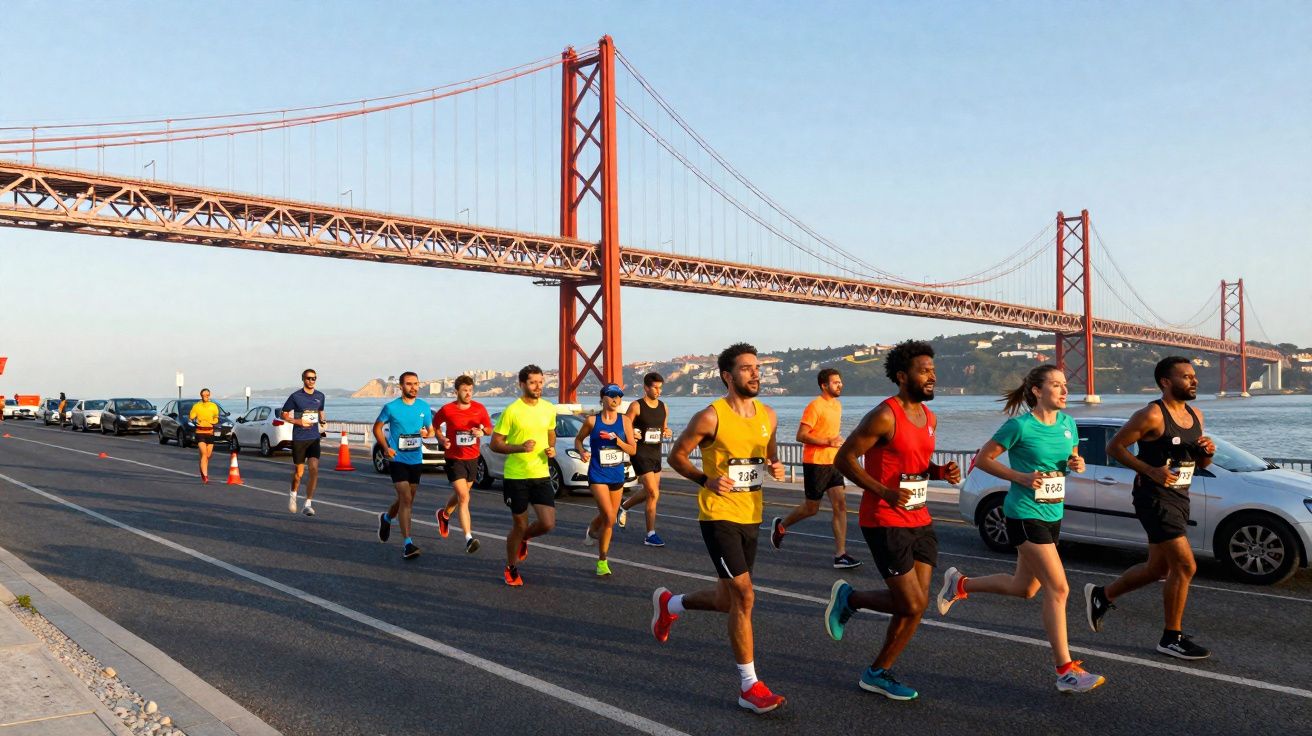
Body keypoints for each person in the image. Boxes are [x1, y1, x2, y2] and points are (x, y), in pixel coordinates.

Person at [935, 364, 1105, 693]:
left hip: (1053, 513)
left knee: (1024, 588)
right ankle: (1065, 670)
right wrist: (1021, 478)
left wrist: (1076, 464)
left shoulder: (1069, 423)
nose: (1065, 390)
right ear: (1037, 392)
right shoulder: (1019, 427)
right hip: (1023, 514)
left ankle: (959, 584)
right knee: (1059, 589)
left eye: (1065, 384)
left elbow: (1069, 461)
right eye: (1056, 385)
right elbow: (982, 460)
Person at [649, 343, 788, 714]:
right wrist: (705, 479)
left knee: (727, 600)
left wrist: (775, 466)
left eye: (757, 367)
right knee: (744, 596)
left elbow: (769, 452)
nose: (755, 373)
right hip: (718, 515)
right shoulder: (710, 416)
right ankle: (749, 686)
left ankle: (670, 603)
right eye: (746, 369)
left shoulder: (769, 415)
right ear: (728, 376)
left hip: (751, 514)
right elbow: (677, 455)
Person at [825, 341, 959, 701]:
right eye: (923, 370)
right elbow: (844, 459)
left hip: (920, 517)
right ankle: (850, 600)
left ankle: (877, 672)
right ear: (902, 377)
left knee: (915, 604)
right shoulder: (884, 415)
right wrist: (882, 492)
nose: (932, 376)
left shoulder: (930, 418)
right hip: (884, 519)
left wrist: (938, 471)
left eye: (932, 369)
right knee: (912, 603)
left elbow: (912, 466)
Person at [1084, 357, 1215, 660]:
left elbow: (1200, 464)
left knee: (1158, 568)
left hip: (1180, 496)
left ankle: (1102, 595)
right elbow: (1114, 447)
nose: (1194, 381)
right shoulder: (1151, 415)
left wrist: (1206, 453)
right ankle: (1171, 637)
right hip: (1153, 497)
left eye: (1194, 376)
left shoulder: (1196, 415)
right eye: (1186, 377)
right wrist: (1150, 470)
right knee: (1185, 566)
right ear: (1166, 382)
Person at [771, 368, 861, 569]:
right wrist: (827, 441)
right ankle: (781, 525)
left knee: (841, 505)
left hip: (834, 462)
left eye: (840, 381)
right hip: (815, 463)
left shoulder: (837, 405)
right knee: (812, 508)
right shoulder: (815, 406)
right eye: (836, 382)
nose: (840, 385)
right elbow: (801, 435)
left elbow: (833, 434)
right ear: (824, 385)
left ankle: (841, 555)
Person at [490, 365, 558, 586]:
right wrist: (519, 448)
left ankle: (524, 538)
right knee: (519, 525)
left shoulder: (549, 408)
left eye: (540, 382)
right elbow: (495, 444)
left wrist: (551, 449)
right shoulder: (512, 410)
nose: (538, 386)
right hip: (516, 476)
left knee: (547, 524)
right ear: (522, 384)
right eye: (533, 382)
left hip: (540, 473)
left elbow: (551, 435)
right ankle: (511, 567)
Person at [577, 384, 639, 576]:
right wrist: (582, 452)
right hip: (597, 475)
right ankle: (602, 561)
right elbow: (578, 440)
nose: (616, 399)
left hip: (616, 474)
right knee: (610, 516)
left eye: (619, 396)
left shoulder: (625, 421)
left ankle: (597, 541)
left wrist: (617, 441)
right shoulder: (592, 421)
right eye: (611, 395)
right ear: (602, 398)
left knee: (609, 521)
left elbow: (633, 450)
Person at [373, 372, 434, 560]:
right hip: (397, 459)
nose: (413, 387)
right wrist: (386, 447)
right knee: (406, 498)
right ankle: (407, 544)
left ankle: (386, 518)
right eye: (409, 384)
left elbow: (430, 430)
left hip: (416, 459)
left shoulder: (423, 406)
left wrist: (426, 433)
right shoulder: (391, 407)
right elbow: (376, 427)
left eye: (416, 384)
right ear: (401, 386)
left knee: (406, 500)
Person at [433, 375, 493, 554]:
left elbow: (489, 428)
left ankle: (444, 515)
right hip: (454, 459)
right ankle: (468, 538)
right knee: (465, 498)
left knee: (462, 494)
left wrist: (481, 430)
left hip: (473, 458)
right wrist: (442, 439)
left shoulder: (479, 409)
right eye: (465, 390)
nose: (468, 394)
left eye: (471, 390)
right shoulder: (447, 409)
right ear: (456, 391)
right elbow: (435, 426)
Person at [618, 372, 672, 546]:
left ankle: (624, 506)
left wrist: (667, 431)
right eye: (655, 387)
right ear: (646, 388)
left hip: (655, 453)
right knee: (653, 493)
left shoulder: (664, 407)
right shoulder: (636, 406)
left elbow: (664, 428)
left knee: (651, 492)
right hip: (640, 453)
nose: (658, 391)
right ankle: (650, 534)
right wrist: (632, 432)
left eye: (660, 388)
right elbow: (623, 425)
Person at [282, 369, 326, 516]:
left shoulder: (320, 396)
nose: (311, 381)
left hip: (313, 437)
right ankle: (293, 494)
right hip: (300, 439)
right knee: (299, 473)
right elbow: (284, 414)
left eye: (314, 378)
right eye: (308, 378)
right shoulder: (295, 396)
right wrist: (297, 421)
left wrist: (323, 420)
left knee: (314, 468)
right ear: (303, 379)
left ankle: (308, 503)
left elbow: (321, 411)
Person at [188, 389, 220, 483]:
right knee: (204, 454)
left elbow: (216, 418)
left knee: (208, 455)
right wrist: (194, 419)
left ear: (209, 395)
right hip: (200, 432)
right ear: (201, 395)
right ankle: (205, 476)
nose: (205, 397)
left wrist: (212, 422)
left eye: (207, 395)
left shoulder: (213, 406)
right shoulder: (197, 406)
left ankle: (202, 468)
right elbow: (191, 417)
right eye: (204, 395)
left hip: (210, 432)